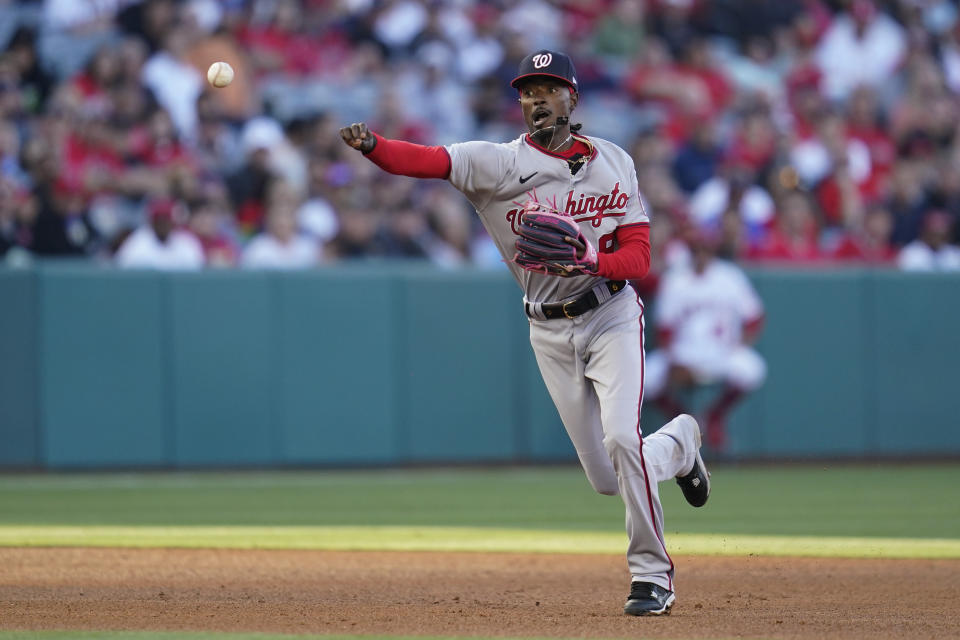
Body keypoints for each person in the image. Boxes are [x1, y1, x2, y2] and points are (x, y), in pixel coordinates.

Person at [340, 49, 710, 617]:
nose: (537, 98)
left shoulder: (615, 161)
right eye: (528, 90)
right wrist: (374, 147)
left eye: (549, 88)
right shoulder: (496, 164)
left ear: (572, 98)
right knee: (609, 478)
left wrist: (592, 258)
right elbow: (425, 160)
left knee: (620, 438)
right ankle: (680, 444)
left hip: (611, 313)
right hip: (548, 329)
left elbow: (638, 258)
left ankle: (651, 576)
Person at [644, 228, 766, 452]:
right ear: (689, 252)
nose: (700, 254)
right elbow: (663, 329)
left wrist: (741, 343)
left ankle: (713, 417)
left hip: (722, 353)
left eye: (705, 249)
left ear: (713, 251)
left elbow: (755, 318)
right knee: (647, 380)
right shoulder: (675, 279)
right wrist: (672, 360)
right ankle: (686, 421)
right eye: (696, 250)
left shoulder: (730, 276)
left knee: (753, 369)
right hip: (683, 354)